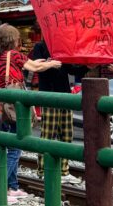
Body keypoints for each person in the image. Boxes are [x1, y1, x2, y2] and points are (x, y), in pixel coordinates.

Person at [24, 35, 82, 184]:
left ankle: (64, 170)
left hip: (65, 95)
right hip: (48, 94)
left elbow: (73, 70)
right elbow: (37, 68)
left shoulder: (63, 46)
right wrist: (51, 64)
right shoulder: (40, 46)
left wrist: (88, 66)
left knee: (67, 134)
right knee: (48, 134)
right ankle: (42, 170)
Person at [0, 25, 29, 205]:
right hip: (11, 110)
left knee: (8, 147)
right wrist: (51, 63)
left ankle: (12, 187)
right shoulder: (13, 55)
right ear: (12, 39)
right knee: (15, 148)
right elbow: (33, 66)